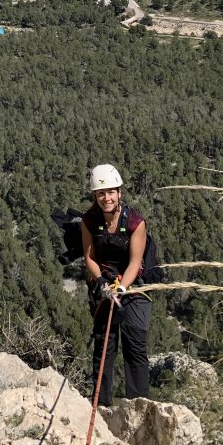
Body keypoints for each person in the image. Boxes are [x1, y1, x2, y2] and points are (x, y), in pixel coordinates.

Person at [81, 163, 151, 406]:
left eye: (111, 192)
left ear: (119, 192)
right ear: (95, 196)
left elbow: (135, 262)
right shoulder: (89, 221)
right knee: (104, 346)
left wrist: (121, 288)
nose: (107, 198)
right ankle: (101, 407)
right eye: (101, 193)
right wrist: (101, 282)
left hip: (133, 285)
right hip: (104, 285)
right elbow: (89, 257)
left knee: (135, 345)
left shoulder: (135, 222)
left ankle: (139, 406)